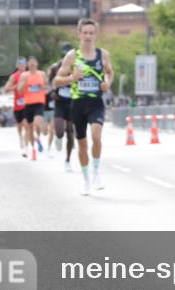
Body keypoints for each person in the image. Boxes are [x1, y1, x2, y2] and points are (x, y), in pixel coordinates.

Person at [53, 19, 115, 195]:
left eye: (91, 32)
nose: (88, 36)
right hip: (78, 104)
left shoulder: (103, 55)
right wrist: (72, 77)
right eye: (84, 32)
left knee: (96, 137)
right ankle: (86, 180)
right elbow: (56, 81)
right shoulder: (72, 56)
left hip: (95, 103)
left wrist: (107, 83)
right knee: (82, 144)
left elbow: (110, 72)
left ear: (96, 34)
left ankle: (96, 173)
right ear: (79, 34)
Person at [48, 43, 77, 171]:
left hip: (72, 101)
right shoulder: (55, 67)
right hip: (60, 101)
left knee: (70, 131)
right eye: (64, 54)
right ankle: (58, 137)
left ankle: (68, 160)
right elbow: (50, 83)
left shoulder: (78, 67)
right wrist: (53, 92)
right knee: (60, 130)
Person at [18, 56, 48, 160]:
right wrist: (24, 82)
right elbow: (19, 90)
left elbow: (46, 87)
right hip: (28, 104)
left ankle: (37, 138)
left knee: (37, 124)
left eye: (33, 63)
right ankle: (32, 147)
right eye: (30, 64)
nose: (32, 65)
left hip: (39, 103)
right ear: (27, 65)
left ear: (37, 64)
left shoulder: (41, 74)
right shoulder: (24, 75)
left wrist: (41, 86)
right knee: (29, 128)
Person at [3, 57, 29, 157]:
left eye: (23, 64)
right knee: (20, 126)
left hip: (28, 103)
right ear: (17, 66)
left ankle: (25, 148)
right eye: (20, 64)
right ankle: (20, 138)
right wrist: (18, 85)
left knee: (27, 125)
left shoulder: (29, 75)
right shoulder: (14, 76)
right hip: (18, 105)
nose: (22, 66)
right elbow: (6, 89)